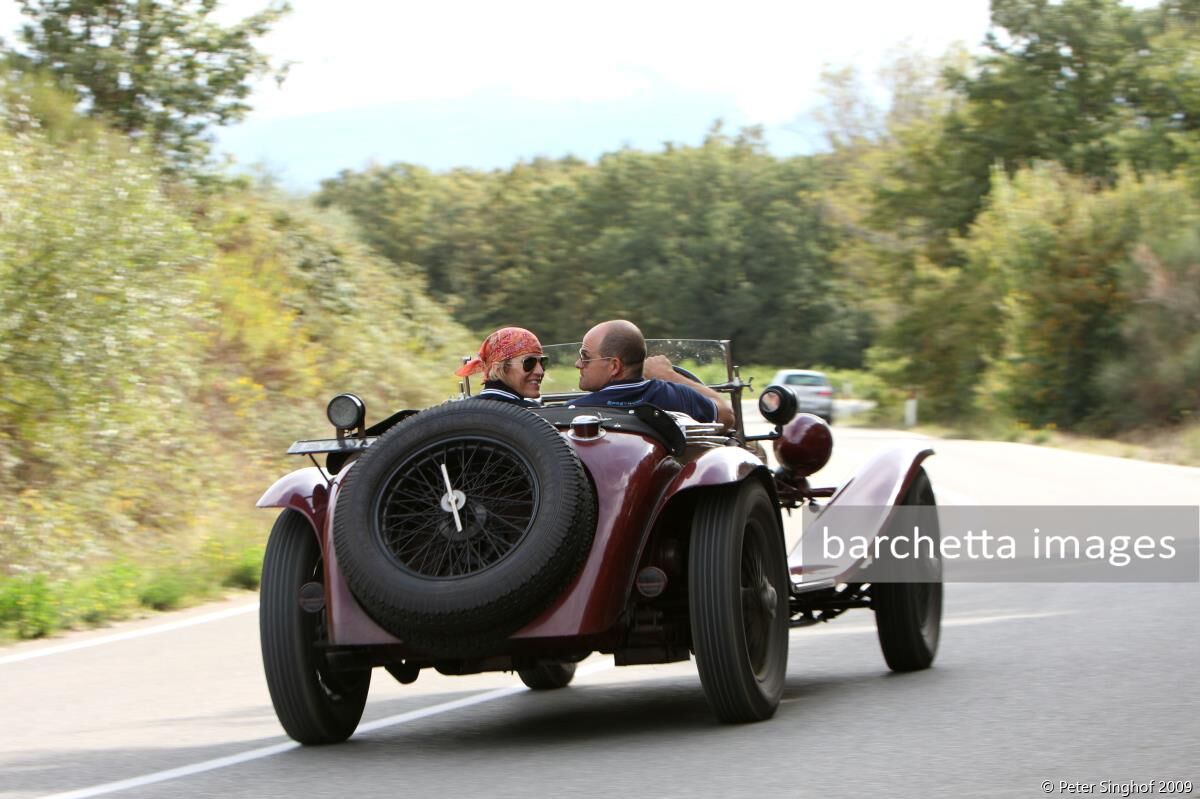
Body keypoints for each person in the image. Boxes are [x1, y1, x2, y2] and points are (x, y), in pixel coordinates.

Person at [572, 320, 735, 428]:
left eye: (585, 357)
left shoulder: (572, 412)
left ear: (615, 366)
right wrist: (669, 375)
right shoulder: (675, 396)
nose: (578, 364)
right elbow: (727, 416)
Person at [455, 327, 547, 408]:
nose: (540, 371)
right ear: (498, 369)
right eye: (529, 362)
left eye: (543, 362)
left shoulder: (458, 409)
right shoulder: (531, 414)